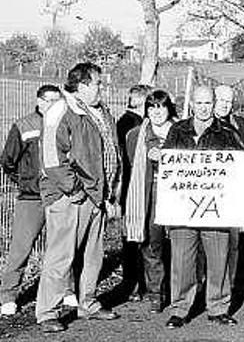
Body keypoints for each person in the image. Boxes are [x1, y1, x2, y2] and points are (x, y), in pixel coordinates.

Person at [162, 85, 244, 328]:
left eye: (208, 103)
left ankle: (217, 307)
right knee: (182, 262)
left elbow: (243, 163)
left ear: (214, 104)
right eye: (199, 103)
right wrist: (159, 157)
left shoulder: (227, 131)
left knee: (219, 261)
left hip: (217, 211)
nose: (204, 108)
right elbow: (168, 167)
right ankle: (180, 308)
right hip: (183, 210)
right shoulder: (177, 130)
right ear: (191, 104)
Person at [36, 62, 121, 333]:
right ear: (82, 84)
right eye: (97, 83)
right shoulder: (61, 110)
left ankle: (88, 302)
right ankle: (47, 311)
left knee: (93, 255)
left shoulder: (100, 111)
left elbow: (109, 152)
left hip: (97, 195)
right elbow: (52, 158)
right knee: (61, 256)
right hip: (71, 196)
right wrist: (74, 190)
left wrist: (109, 192)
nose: (101, 87)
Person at [0, 85, 68, 317]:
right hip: (31, 198)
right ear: (39, 101)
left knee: (61, 246)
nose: (53, 105)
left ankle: (66, 290)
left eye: (57, 100)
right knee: (21, 248)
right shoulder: (24, 125)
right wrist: (26, 181)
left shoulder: (65, 123)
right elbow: (8, 160)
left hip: (60, 195)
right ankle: (8, 295)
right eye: (49, 100)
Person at [124, 89, 178, 314]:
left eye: (161, 106)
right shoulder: (136, 135)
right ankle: (155, 292)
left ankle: (180, 290)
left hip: (177, 192)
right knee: (152, 244)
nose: (156, 112)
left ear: (169, 108)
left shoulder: (181, 131)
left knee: (179, 243)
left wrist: (165, 158)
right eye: (152, 107)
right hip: (148, 192)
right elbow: (129, 165)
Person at [213, 84, 244, 289]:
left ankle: (228, 285)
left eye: (229, 101)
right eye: (221, 100)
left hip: (233, 192)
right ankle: (207, 284)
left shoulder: (240, 124)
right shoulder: (202, 124)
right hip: (209, 192)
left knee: (233, 242)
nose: (225, 105)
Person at [117, 83, 151, 300]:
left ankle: (137, 281)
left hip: (130, 186)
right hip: (132, 187)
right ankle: (135, 281)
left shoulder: (125, 122)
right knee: (134, 237)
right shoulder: (131, 125)